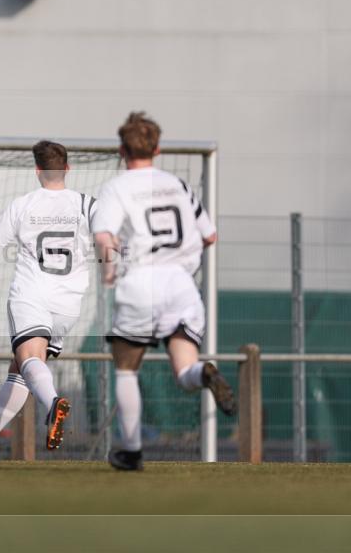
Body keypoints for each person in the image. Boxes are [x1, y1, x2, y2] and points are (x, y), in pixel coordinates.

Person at [92, 112, 236, 472]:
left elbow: (103, 236)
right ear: (157, 148)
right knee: (184, 367)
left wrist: (109, 270)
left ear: (122, 150)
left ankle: (131, 450)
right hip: (181, 284)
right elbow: (210, 235)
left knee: (126, 370)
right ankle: (203, 374)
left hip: (140, 281)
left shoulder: (116, 187)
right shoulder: (178, 185)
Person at [0, 140, 96, 458]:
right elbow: (113, 240)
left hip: (32, 295)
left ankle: (53, 402)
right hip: (68, 305)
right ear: (67, 168)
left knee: (30, 360)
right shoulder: (87, 204)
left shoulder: (25, 204)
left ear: (38, 170)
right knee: (21, 365)